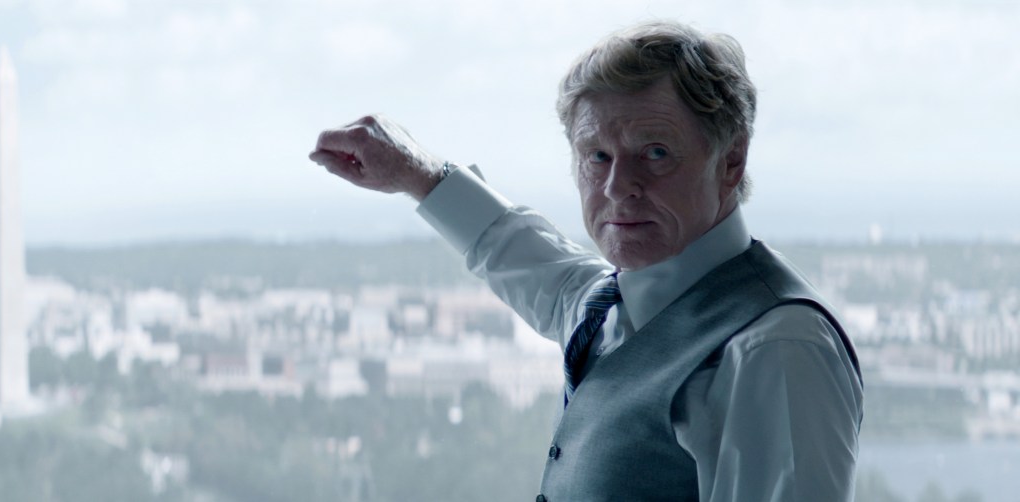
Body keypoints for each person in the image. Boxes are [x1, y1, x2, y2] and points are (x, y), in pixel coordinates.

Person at [309, 20, 863, 502]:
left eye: (655, 153)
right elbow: (533, 261)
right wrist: (417, 174)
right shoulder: (610, 306)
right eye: (597, 156)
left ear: (731, 160)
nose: (619, 188)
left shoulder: (778, 348)